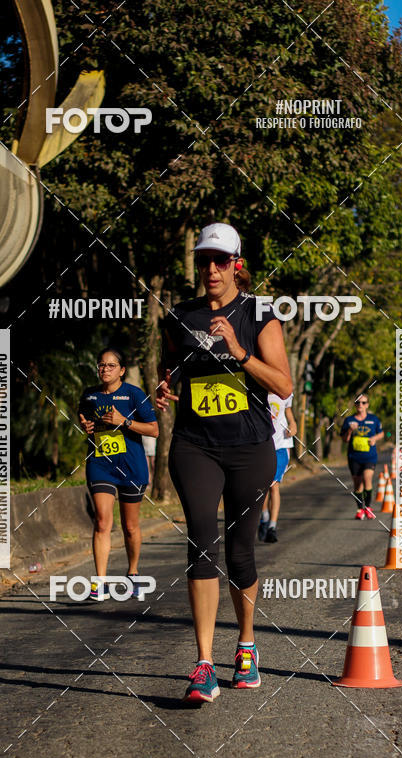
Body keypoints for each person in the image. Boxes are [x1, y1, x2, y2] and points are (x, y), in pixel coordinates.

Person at [156, 222, 292, 703]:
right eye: (203, 261)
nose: (210, 269)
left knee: (240, 552)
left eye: (219, 260)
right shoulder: (180, 316)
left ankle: (247, 644)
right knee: (200, 542)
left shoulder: (260, 314)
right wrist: (165, 386)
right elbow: (170, 366)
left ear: (237, 264)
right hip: (195, 444)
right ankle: (203, 664)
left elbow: (283, 384)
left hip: (249, 447)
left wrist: (240, 353)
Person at [79, 349, 159, 599]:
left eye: (111, 366)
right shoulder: (89, 395)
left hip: (131, 466)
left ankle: (133, 571)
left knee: (130, 527)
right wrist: (86, 427)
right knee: (102, 520)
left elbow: (154, 430)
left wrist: (124, 421)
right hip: (101, 462)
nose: (105, 370)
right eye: (101, 365)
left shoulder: (135, 395)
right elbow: (85, 421)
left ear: (122, 370)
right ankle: (100, 582)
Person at [258, 392, 297, 542]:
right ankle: (264, 516)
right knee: (263, 485)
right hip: (262, 445)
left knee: (273, 485)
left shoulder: (284, 392)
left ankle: (272, 527)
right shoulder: (257, 390)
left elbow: (289, 413)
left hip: (281, 445)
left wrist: (293, 425)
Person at [340, 394, 384, 519]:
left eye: (363, 403)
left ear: (367, 405)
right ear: (355, 405)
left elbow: (381, 434)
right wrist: (349, 430)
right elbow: (344, 439)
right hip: (354, 457)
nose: (361, 405)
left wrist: (374, 438)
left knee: (367, 478)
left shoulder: (373, 419)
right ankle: (360, 509)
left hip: (370, 456)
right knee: (357, 484)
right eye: (358, 403)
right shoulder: (349, 420)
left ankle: (368, 508)